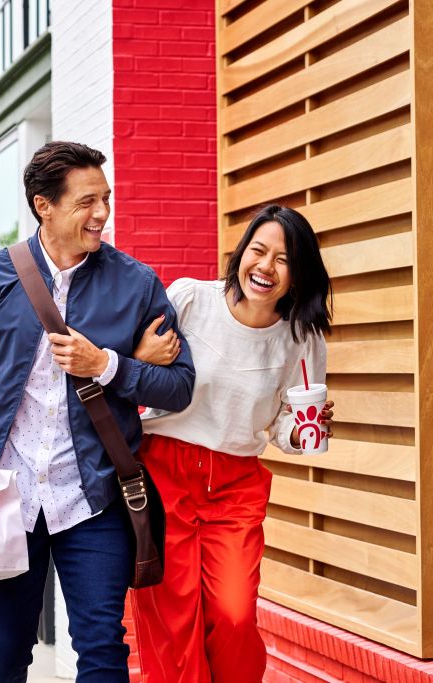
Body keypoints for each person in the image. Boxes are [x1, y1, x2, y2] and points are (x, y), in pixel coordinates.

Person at [0, 140, 196, 683]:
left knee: (102, 648)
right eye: (86, 202)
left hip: (94, 498)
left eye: (105, 199)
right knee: (4, 650)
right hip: (6, 495)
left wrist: (108, 364)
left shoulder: (136, 284)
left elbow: (179, 385)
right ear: (43, 205)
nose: (101, 213)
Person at [130, 204, 335, 683]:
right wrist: (139, 357)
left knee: (235, 616)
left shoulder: (302, 338)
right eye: (258, 251)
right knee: (173, 620)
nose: (265, 267)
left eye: (282, 259)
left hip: (235, 483)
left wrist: (307, 430)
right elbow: (135, 371)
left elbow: (287, 431)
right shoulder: (188, 299)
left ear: (298, 272)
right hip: (164, 473)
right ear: (241, 253)